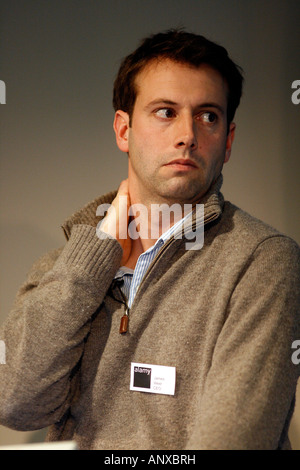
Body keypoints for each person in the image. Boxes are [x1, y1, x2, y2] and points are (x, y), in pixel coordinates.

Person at [0, 29, 299, 450]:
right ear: (123, 130)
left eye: (208, 116)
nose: (188, 135)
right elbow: (15, 403)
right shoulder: (66, 266)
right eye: (165, 111)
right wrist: (92, 260)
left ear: (227, 142)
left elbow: (236, 441)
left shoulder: (264, 260)